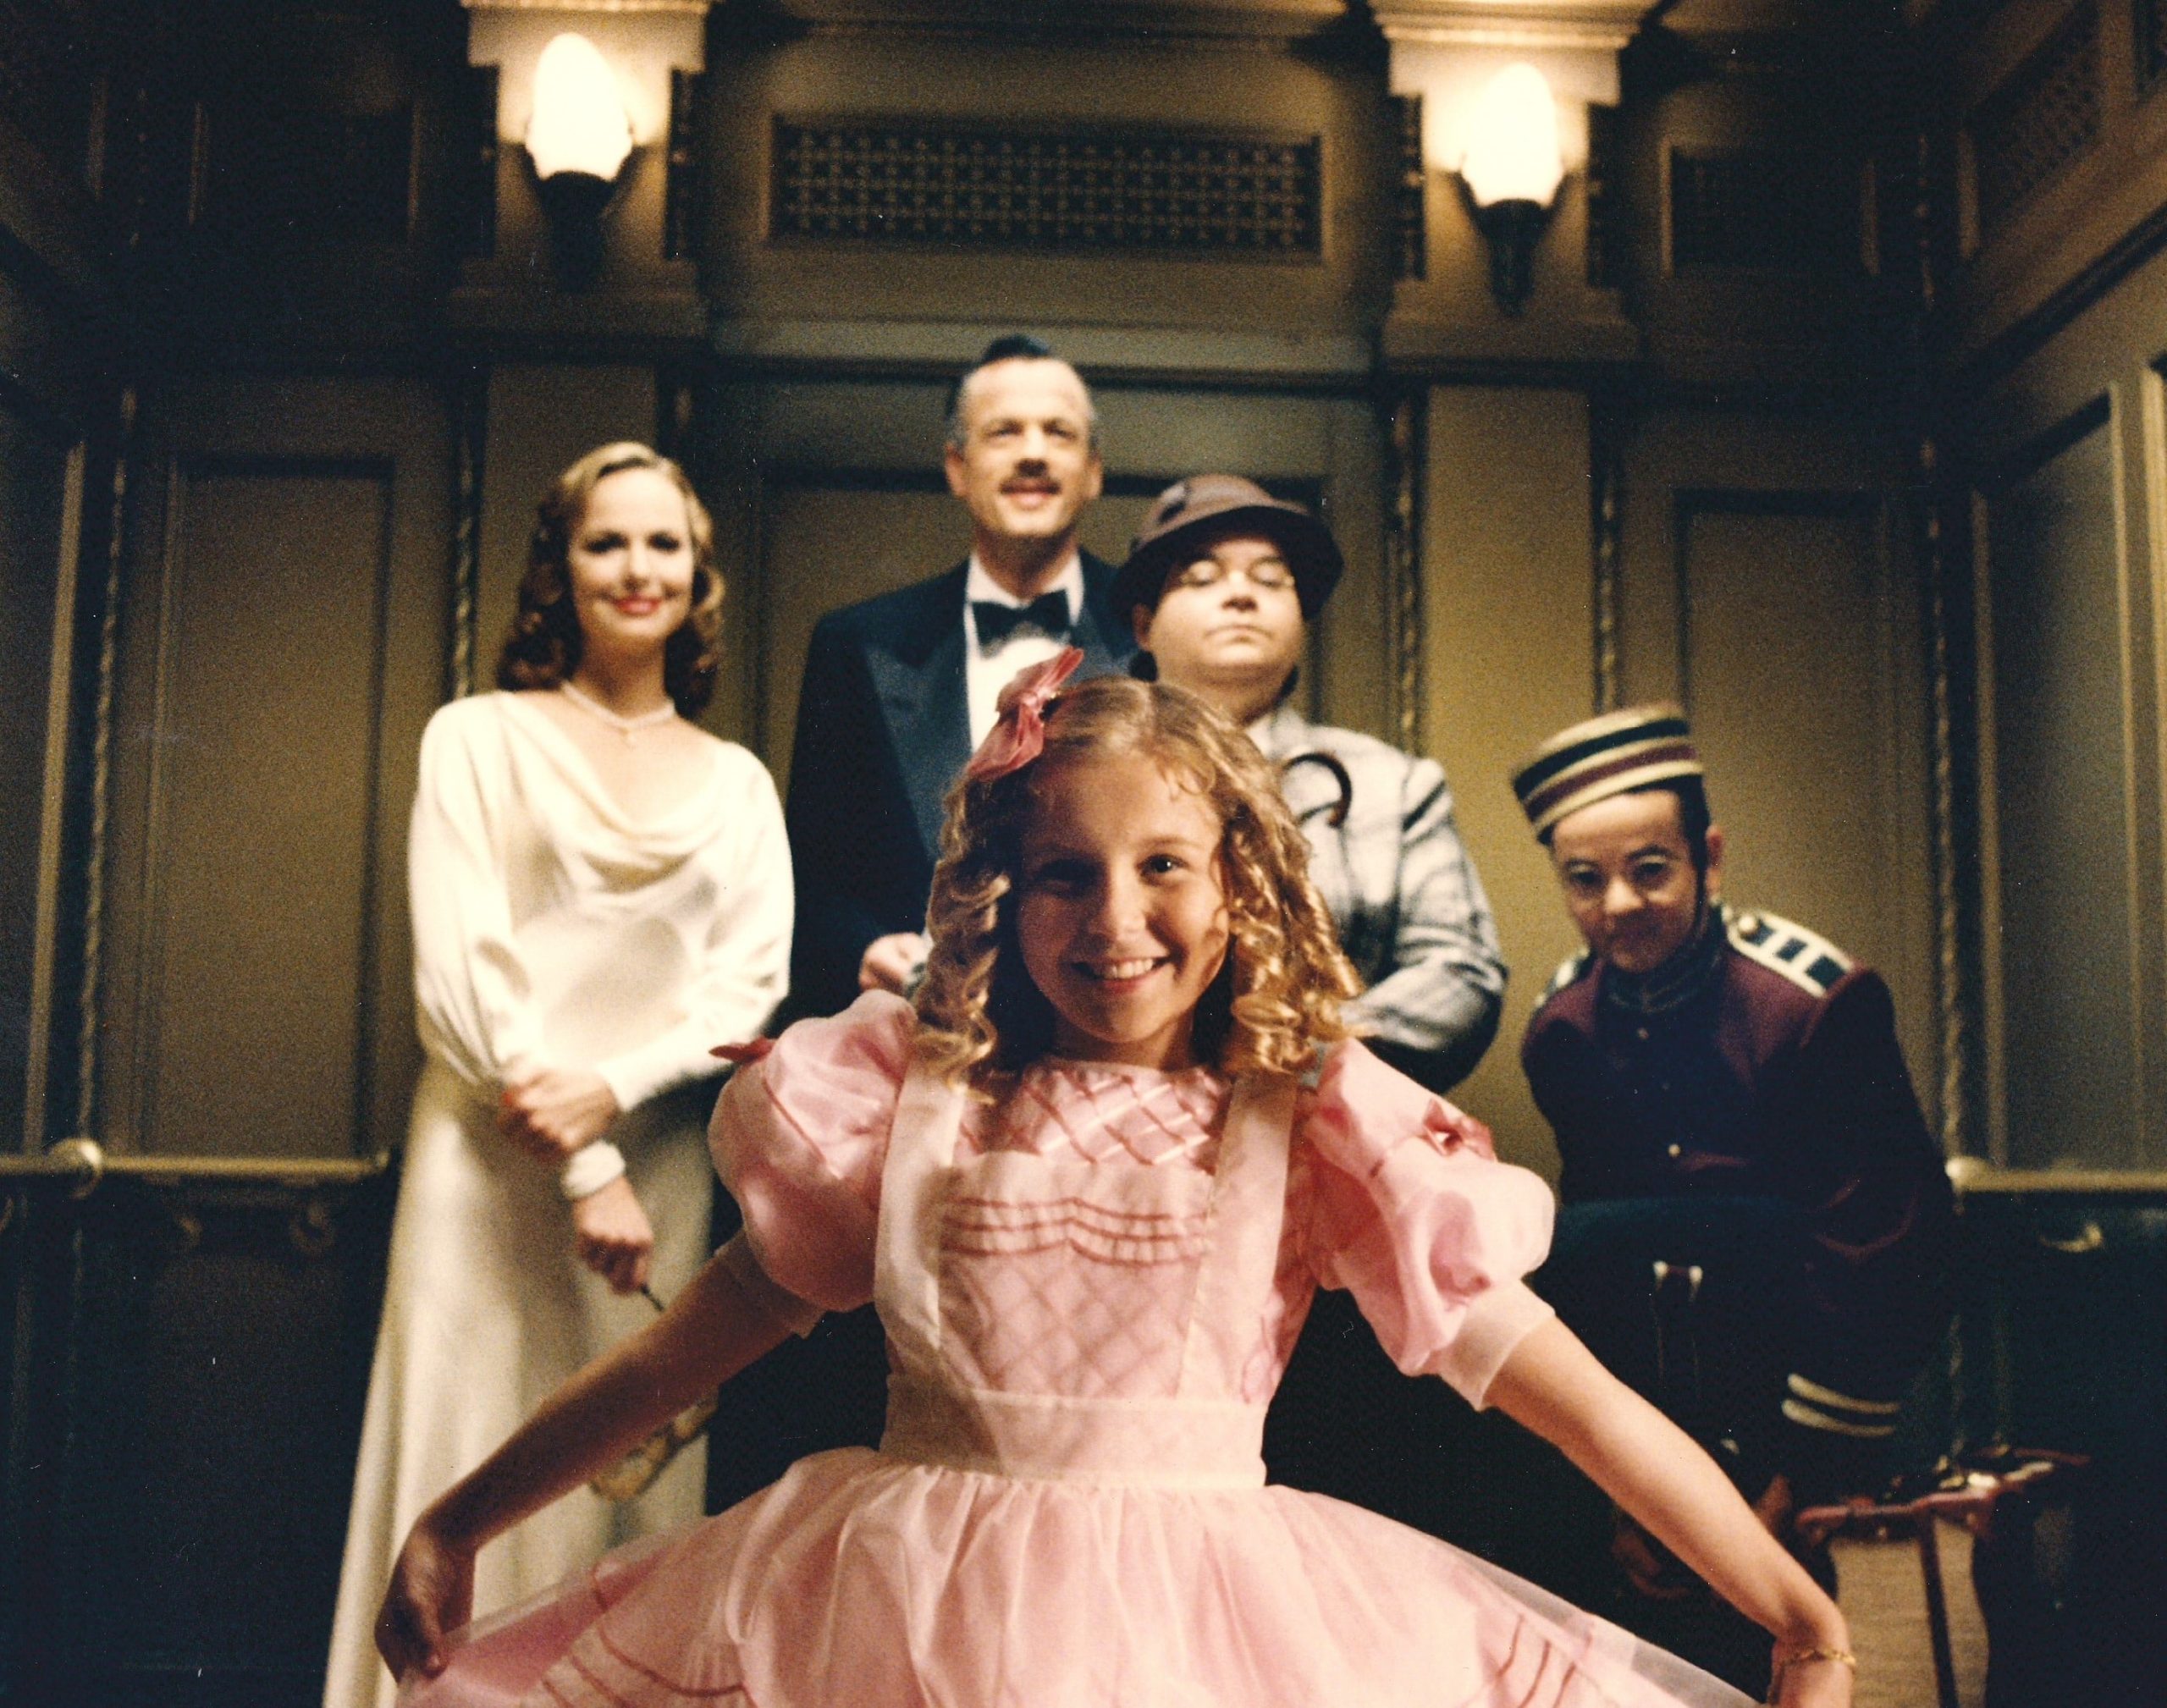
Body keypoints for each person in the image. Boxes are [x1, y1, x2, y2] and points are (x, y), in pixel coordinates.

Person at [372, 658, 1856, 1708]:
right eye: (1066, 875)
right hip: (894, 1616)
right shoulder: (905, 1085)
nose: (1117, 922)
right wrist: (456, 1521)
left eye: (1165, 867)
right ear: (1003, 894)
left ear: (1240, 888)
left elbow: (1572, 1395)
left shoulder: (1312, 1115)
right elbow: (676, 1351)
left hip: (1210, 1630)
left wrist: (1789, 1605)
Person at [322, 444, 792, 1708]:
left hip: (661, 1172)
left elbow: (746, 986)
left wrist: (617, 1099)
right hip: (488, 1165)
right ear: (559, 569)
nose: (636, 568)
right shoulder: (477, 739)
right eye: (606, 542)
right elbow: (462, 978)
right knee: (466, 1447)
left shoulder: (739, 781)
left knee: (623, 1481)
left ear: (699, 576)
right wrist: (579, 1158)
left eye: (663, 544)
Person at [1510, 704, 1953, 1694]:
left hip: (1809, 1423)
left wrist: (1797, 1478)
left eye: (1650, 867)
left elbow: (1879, 1250)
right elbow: (1595, 1273)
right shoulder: (1563, 1028)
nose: (1618, 902)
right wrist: (1629, 1487)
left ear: (1708, 857)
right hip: (1650, 1436)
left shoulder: (1809, 1005)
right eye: (1584, 878)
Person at [1116, 473, 1504, 1094]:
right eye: (1201, 577)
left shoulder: (1394, 784)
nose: (1241, 595)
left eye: (1271, 579)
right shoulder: (1082, 781)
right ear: (1143, 625)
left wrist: (1304, 1050)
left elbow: (1460, 972)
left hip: (1328, 1128)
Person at [784, 333, 1131, 1022]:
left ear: (1092, 471)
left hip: (1109, 1029)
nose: (1032, 451)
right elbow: (808, 877)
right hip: (917, 1037)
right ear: (957, 467)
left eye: (1057, 432)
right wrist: (862, 950)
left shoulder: (1154, 634)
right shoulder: (857, 643)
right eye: (1004, 431)